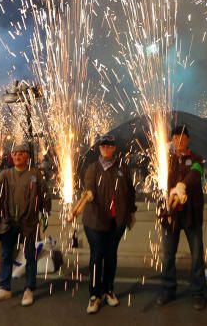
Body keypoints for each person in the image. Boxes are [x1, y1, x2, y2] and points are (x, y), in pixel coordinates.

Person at [72, 134, 137, 315]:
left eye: (110, 146)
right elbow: (88, 187)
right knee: (97, 254)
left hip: (116, 221)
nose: (106, 148)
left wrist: (131, 211)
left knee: (110, 255)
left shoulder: (122, 168)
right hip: (95, 221)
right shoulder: (93, 168)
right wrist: (89, 196)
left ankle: (108, 289)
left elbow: (130, 191)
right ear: (100, 148)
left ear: (114, 147)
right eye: (103, 146)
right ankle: (94, 295)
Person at [0, 141, 50, 306]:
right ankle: (4, 288)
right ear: (11, 157)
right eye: (15, 154)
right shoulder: (6, 174)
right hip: (8, 221)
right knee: (6, 254)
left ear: (27, 156)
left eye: (21, 153)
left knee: (30, 256)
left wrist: (45, 214)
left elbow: (44, 195)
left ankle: (29, 289)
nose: (18, 156)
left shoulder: (35, 174)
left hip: (29, 222)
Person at [157, 124, 207, 310]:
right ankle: (168, 290)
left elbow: (196, 174)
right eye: (175, 137)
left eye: (182, 137)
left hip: (191, 214)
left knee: (196, 256)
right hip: (170, 214)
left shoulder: (196, 159)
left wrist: (182, 185)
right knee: (168, 256)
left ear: (188, 140)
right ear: (172, 140)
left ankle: (198, 293)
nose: (179, 140)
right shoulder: (165, 160)